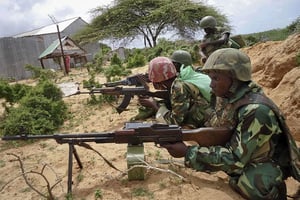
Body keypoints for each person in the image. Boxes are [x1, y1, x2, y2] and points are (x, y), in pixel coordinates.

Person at [162, 48, 300, 200]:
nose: (211, 85)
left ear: (234, 78)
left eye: (215, 78)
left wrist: (188, 152)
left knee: (252, 184)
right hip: (246, 154)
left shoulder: (256, 110)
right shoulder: (227, 97)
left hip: (268, 161)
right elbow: (216, 128)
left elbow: (235, 160)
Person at [138, 56, 211, 128]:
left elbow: (174, 122)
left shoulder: (178, 87)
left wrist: (155, 105)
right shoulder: (181, 77)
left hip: (207, 121)